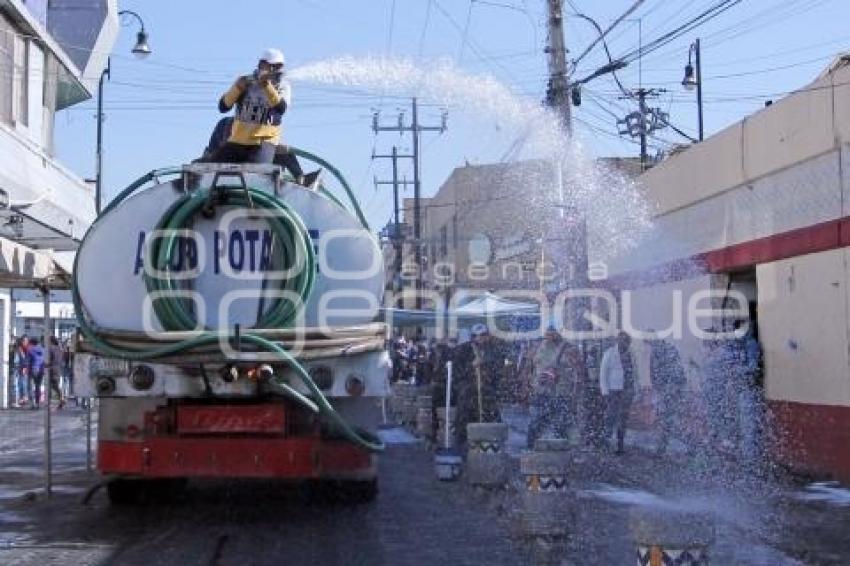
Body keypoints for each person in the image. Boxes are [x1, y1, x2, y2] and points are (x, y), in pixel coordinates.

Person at [206, 49, 291, 164]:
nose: (271, 70)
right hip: (238, 140)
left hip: (263, 141)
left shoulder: (282, 86)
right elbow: (223, 107)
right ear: (261, 65)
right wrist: (237, 89)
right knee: (212, 167)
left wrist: (267, 87)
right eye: (267, 66)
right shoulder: (246, 81)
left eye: (275, 67)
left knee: (256, 172)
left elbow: (281, 109)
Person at [200, 116, 321, 188]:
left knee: (282, 152)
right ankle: (302, 179)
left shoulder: (263, 127)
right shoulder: (226, 124)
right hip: (225, 168)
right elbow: (210, 156)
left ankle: (302, 179)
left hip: (251, 166)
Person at [527, 325, 585, 449]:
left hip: (561, 392)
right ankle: (532, 448)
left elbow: (578, 372)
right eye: (548, 333)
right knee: (536, 422)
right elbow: (530, 368)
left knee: (561, 422)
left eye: (553, 333)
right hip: (542, 391)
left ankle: (562, 450)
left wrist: (575, 392)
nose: (550, 336)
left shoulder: (568, 348)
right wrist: (530, 384)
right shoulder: (537, 347)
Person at [454, 323, 508, 444]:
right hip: (468, 391)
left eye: (483, 335)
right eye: (477, 336)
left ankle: (492, 446)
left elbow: (499, 369)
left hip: (487, 391)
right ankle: (464, 448)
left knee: (491, 418)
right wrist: (472, 366)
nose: (481, 338)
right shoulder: (464, 350)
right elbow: (457, 372)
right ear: (473, 337)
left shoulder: (494, 350)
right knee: (465, 419)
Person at [648, 334, 687, 455]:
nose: (648, 346)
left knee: (667, 420)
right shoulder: (669, 348)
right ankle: (663, 447)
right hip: (672, 390)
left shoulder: (658, 351)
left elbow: (656, 374)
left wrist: (662, 390)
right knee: (669, 420)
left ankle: (662, 448)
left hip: (668, 391)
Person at [599, 331, 637, 454]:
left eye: (626, 341)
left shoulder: (631, 354)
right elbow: (603, 374)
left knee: (623, 418)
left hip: (628, 390)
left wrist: (636, 389)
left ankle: (620, 445)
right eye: (621, 340)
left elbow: (635, 372)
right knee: (610, 418)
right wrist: (605, 392)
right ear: (618, 341)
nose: (624, 343)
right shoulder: (609, 354)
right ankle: (605, 444)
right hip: (614, 391)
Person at [48, 336, 66, 410]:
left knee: (51, 385)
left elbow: (49, 359)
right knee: (55, 385)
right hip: (58, 368)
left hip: (52, 368)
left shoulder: (50, 348)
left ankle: (61, 399)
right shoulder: (60, 349)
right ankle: (61, 399)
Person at [27, 337, 45, 410]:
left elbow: (28, 360)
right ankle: (38, 403)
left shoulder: (30, 350)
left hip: (33, 369)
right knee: (38, 386)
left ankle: (32, 404)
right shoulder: (42, 350)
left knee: (30, 386)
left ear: (31, 343)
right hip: (41, 369)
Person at [13, 336, 30, 407]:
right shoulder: (20, 349)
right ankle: (22, 398)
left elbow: (26, 359)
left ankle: (24, 398)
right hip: (20, 368)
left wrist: (25, 367)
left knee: (23, 383)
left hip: (22, 368)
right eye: (24, 341)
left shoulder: (26, 349)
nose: (26, 342)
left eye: (26, 341)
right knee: (21, 384)